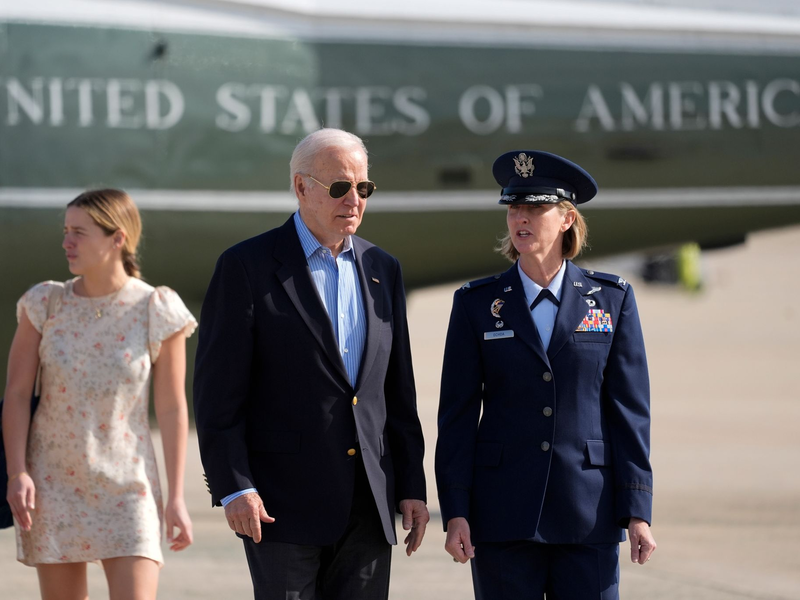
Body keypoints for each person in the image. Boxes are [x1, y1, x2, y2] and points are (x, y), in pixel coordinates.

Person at [193, 128, 429, 600]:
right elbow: (218, 395)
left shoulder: (384, 268)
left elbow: (396, 394)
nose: (354, 200)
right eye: (340, 187)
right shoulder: (245, 266)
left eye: (363, 188)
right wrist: (235, 487)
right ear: (302, 187)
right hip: (280, 507)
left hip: (369, 507)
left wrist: (412, 486)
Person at [435, 150, 656, 599]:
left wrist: (637, 510)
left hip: (588, 513)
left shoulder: (612, 301)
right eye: (515, 208)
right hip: (502, 516)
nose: (522, 218)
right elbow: (456, 417)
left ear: (567, 219)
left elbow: (630, 414)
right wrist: (456, 508)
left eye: (536, 208)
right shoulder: (476, 304)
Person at [3, 189, 196, 600]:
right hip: (52, 483)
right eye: (65, 231)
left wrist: (176, 497)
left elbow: (173, 407)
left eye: (79, 232)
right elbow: (17, 394)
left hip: (130, 486)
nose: (66, 241)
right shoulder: (44, 303)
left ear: (117, 238)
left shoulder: (156, 308)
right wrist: (17, 471)